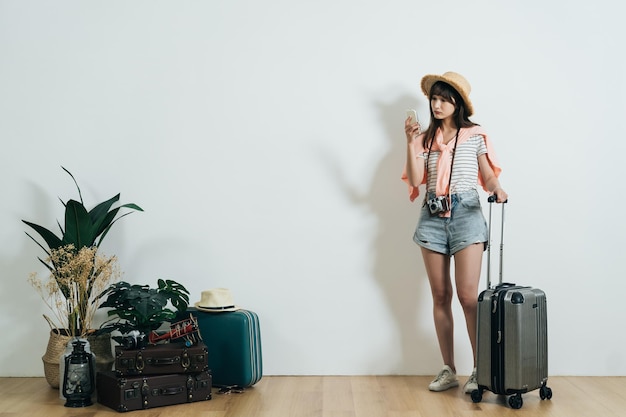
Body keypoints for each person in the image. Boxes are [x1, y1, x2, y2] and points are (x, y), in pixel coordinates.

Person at [401, 71, 508, 393]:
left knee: (467, 297)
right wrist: (410, 142)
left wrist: (498, 188)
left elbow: (486, 174)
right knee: (440, 295)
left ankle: (481, 369)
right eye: (433, 98)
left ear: (456, 102)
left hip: (468, 214)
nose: (436, 104)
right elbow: (418, 179)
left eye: (443, 99)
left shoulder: (474, 134)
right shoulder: (424, 139)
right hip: (432, 217)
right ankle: (448, 368)